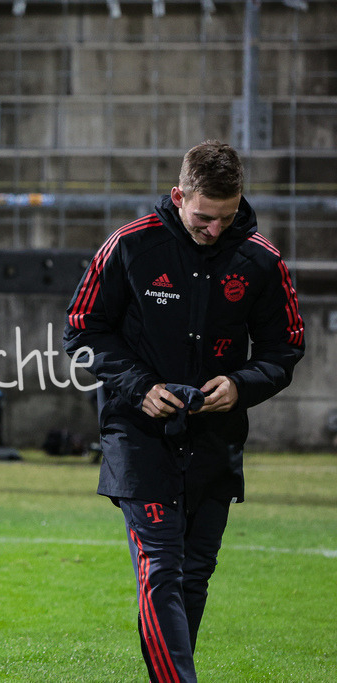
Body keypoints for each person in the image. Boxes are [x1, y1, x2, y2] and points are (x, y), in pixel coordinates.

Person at [63, 140, 304, 682]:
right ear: (179, 196)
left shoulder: (264, 261)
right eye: (203, 217)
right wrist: (138, 386)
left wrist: (241, 385)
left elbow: (285, 349)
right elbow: (81, 330)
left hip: (215, 440)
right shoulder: (128, 247)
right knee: (162, 572)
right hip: (139, 436)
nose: (215, 229)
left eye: (227, 216)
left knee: (194, 577)